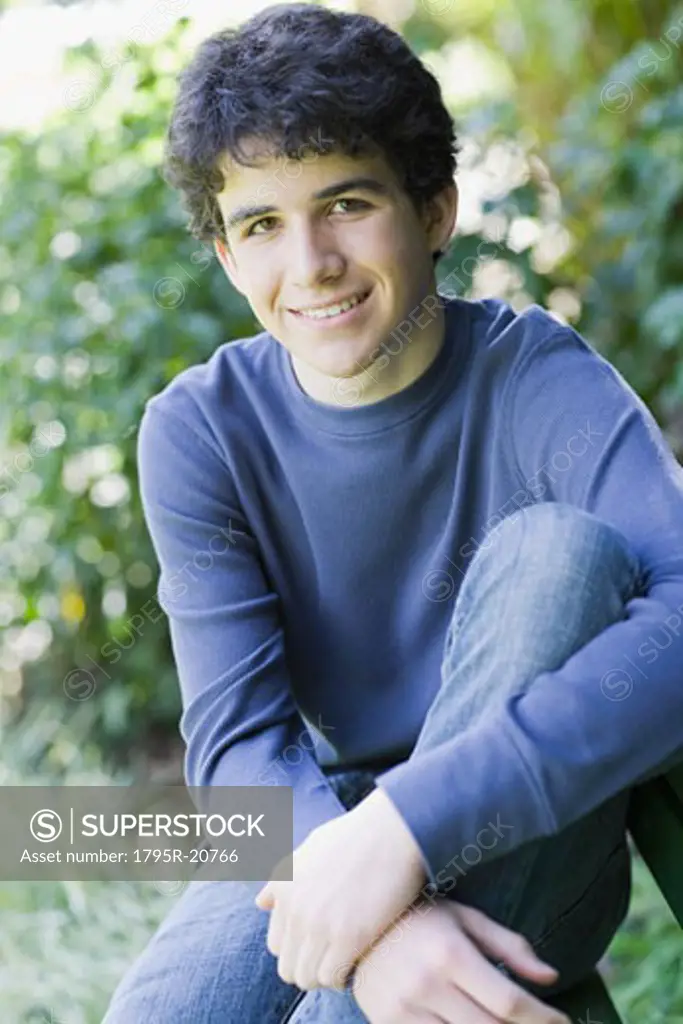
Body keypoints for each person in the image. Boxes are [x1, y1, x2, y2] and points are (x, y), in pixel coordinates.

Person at [103, 4, 683, 1022]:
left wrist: (410, 827)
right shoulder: (199, 431)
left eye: (347, 203)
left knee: (554, 553)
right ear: (230, 257)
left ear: (434, 209)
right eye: (262, 225)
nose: (312, 261)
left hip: (522, 819)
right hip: (314, 830)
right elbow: (238, 743)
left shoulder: (532, 378)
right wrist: (373, 911)